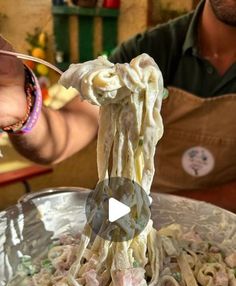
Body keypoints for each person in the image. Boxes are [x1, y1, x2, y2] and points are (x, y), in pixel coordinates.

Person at [0, 0, 236, 211]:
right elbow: (67, 131)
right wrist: (22, 109)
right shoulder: (150, 51)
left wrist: (162, 207)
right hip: (130, 220)